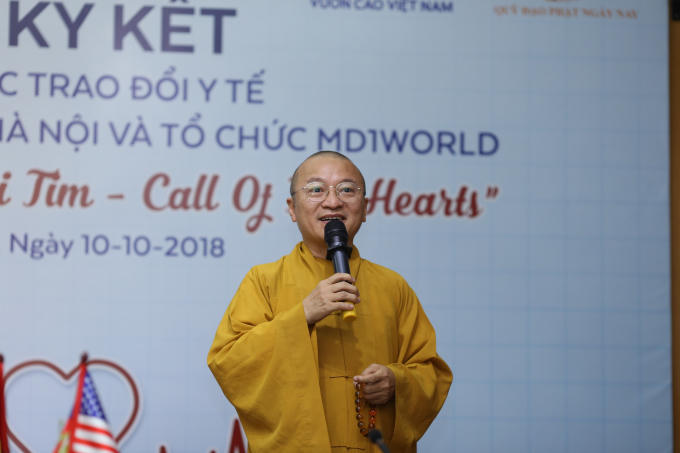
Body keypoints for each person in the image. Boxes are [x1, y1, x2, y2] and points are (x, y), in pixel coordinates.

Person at [207, 151, 452, 452]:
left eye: (347, 189)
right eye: (316, 189)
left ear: (365, 208)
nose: (333, 201)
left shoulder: (393, 287)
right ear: (292, 208)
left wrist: (396, 382)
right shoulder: (264, 281)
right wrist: (303, 315)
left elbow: (430, 373)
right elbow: (230, 362)